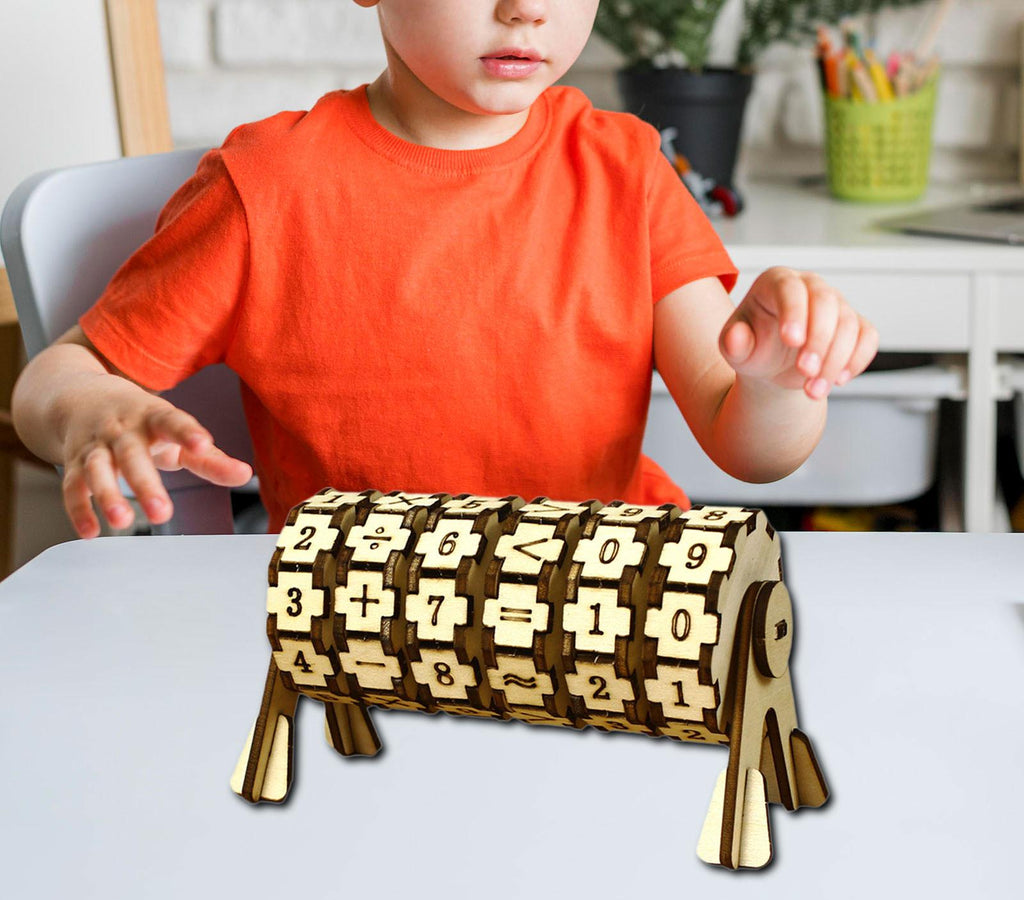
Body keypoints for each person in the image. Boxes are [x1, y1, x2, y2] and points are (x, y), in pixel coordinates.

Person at [11, 0, 877, 540]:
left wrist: (778, 381)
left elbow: (749, 450)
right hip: (370, 631)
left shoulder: (627, 171)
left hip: (607, 610)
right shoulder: (265, 189)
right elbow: (56, 376)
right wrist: (91, 412)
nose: (526, 9)